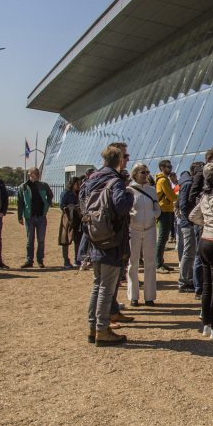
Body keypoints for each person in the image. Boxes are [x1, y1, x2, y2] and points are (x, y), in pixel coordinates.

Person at [80, 145, 134, 346]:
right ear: (119, 160)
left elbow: (82, 204)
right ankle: (103, 330)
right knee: (106, 287)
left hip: (95, 236)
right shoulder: (116, 181)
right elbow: (121, 207)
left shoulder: (91, 179)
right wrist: (129, 195)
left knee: (97, 284)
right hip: (112, 238)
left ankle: (93, 326)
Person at [194, 163, 213, 339]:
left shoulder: (204, 196)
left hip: (204, 240)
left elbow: (193, 215)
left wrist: (205, 223)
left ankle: (206, 324)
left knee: (207, 287)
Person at [127, 162, 160, 306]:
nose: (146, 175)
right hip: (133, 229)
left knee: (150, 262)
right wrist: (132, 216)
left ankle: (149, 296)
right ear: (135, 174)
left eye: (147, 172)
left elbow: (157, 208)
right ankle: (133, 296)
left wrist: (154, 214)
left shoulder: (152, 190)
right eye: (143, 172)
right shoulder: (129, 190)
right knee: (133, 263)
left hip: (150, 228)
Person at [17, 167, 53, 268]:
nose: (37, 174)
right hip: (29, 217)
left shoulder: (44, 185)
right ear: (29, 174)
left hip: (41, 216)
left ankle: (40, 260)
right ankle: (29, 260)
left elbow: (50, 195)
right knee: (30, 240)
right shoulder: (23, 187)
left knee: (41, 240)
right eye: (35, 173)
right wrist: (19, 216)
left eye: (38, 173)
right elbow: (20, 203)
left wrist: (47, 204)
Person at [175, 163, 197, 292]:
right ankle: (184, 281)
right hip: (188, 223)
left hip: (187, 222)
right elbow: (183, 205)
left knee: (189, 252)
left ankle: (187, 279)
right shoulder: (188, 184)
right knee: (188, 252)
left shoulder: (185, 182)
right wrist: (191, 217)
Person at [154, 159, 177, 271]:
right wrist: (179, 198)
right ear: (162, 168)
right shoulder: (163, 180)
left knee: (163, 238)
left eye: (170, 166)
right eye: (168, 166)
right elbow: (171, 196)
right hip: (164, 210)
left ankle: (160, 262)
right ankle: (158, 264)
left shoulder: (163, 179)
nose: (170, 168)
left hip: (165, 209)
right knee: (162, 238)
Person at [58, 176, 83, 268]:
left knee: (78, 240)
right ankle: (66, 261)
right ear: (72, 184)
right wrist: (71, 207)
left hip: (77, 219)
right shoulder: (66, 193)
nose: (79, 185)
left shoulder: (79, 193)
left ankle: (77, 260)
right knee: (65, 240)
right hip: (68, 218)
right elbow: (61, 206)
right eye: (77, 184)